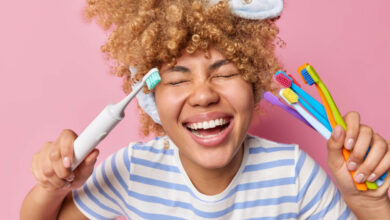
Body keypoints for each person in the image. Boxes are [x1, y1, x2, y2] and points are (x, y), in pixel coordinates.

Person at [20, 0, 390, 219]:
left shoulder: (294, 174)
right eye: (179, 79)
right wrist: (52, 187)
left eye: (226, 72)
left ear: (254, 82)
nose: (203, 95)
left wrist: (366, 201)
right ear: (150, 96)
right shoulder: (133, 170)